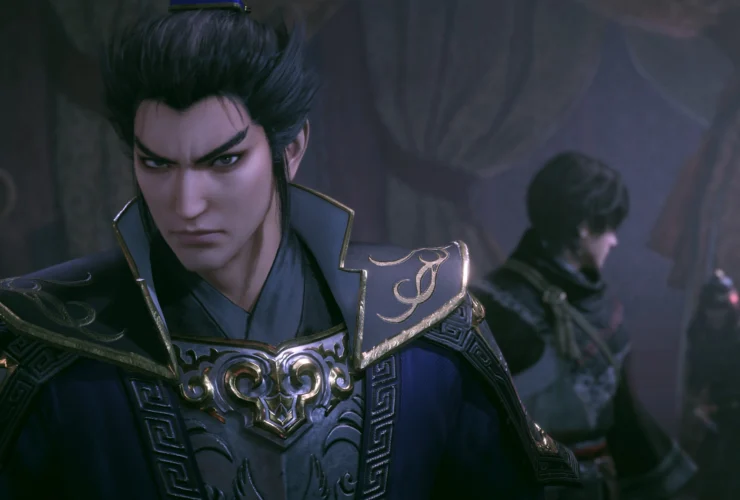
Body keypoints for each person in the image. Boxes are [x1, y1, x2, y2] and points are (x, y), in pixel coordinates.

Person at [0, 2, 579, 498]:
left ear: (291, 148)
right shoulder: (53, 342)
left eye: (223, 160)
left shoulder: (424, 323)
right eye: (156, 163)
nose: (185, 203)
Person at [472, 152, 695, 500]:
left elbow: (623, 419)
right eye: (609, 228)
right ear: (584, 227)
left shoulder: (602, 308)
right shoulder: (493, 305)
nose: (614, 241)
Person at [681, 269, 740, 499]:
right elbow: (695, 375)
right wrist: (696, 404)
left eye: (721, 309)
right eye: (711, 309)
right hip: (712, 413)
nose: (716, 315)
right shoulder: (699, 332)